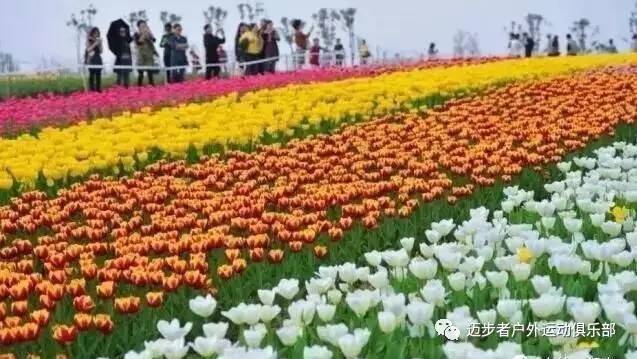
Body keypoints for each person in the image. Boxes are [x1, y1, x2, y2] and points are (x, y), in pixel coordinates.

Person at [134, 20, 157, 86]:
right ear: (138, 27)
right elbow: (138, 43)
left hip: (149, 55)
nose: (144, 27)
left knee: (150, 72)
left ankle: (152, 86)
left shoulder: (149, 34)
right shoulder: (136, 34)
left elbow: (154, 40)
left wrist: (150, 34)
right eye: (142, 26)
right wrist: (143, 34)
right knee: (140, 73)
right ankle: (139, 87)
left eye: (145, 25)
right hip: (141, 55)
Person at [85, 27, 103, 92]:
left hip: (98, 59)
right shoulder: (88, 40)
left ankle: (98, 89)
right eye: (95, 33)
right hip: (91, 59)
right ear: (92, 33)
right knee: (91, 75)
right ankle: (91, 89)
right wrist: (95, 44)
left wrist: (100, 44)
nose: (96, 34)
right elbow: (88, 49)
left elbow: (101, 51)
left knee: (98, 75)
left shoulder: (99, 41)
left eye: (97, 33)